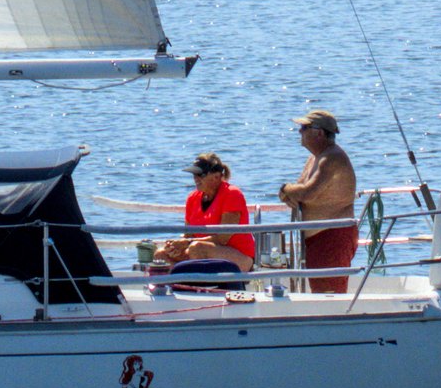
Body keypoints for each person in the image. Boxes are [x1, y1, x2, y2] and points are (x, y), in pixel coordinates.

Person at [279, 108, 358, 292]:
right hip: (315, 239)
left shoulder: (332, 158)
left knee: (329, 295)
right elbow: (297, 190)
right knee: (319, 291)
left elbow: (307, 193)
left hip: (332, 237)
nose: (300, 132)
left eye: (304, 127)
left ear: (319, 133)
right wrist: (287, 192)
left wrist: (285, 189)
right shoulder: (315, 158)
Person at [149, 150, 256, 284]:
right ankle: (182, 289)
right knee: (161, 255)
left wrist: (187, 243)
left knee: (197, 248)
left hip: (239, 257)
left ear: (217, 176)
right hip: (199, 251)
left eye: (201, 174)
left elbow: (223, 238)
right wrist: (176, 244)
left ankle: (200, 289)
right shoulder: (192, 198)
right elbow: (188, 234)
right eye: (194, 174)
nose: (196, 178)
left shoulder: (232, 194)